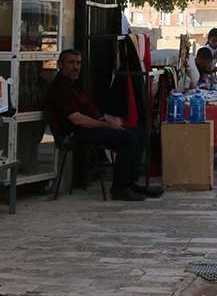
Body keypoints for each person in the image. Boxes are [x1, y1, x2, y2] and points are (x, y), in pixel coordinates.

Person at [44, 47, 159, 201]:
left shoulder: (72, 85)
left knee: (139, 133)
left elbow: (88, 111)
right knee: (128, 138)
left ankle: (130, 183)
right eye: (71, 63)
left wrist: (105, 121)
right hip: (75, 133)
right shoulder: (60, 88)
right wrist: (106, 125)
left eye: (78, 63)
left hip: (89, 128)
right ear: (60, 65)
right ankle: (120, 188)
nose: (76, 67)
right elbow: (76, 119)